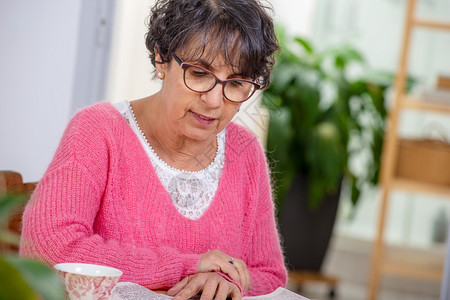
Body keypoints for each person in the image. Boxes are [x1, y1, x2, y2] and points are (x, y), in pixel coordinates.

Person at [20, 0, 286, 299]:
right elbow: (50, 248)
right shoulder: (98, 130)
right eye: (199, 73)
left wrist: (232, 283)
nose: (214, 101)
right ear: (162, 58)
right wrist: (189, 266)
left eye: (236, 83)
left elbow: (270, 275)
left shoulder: (245, 150)